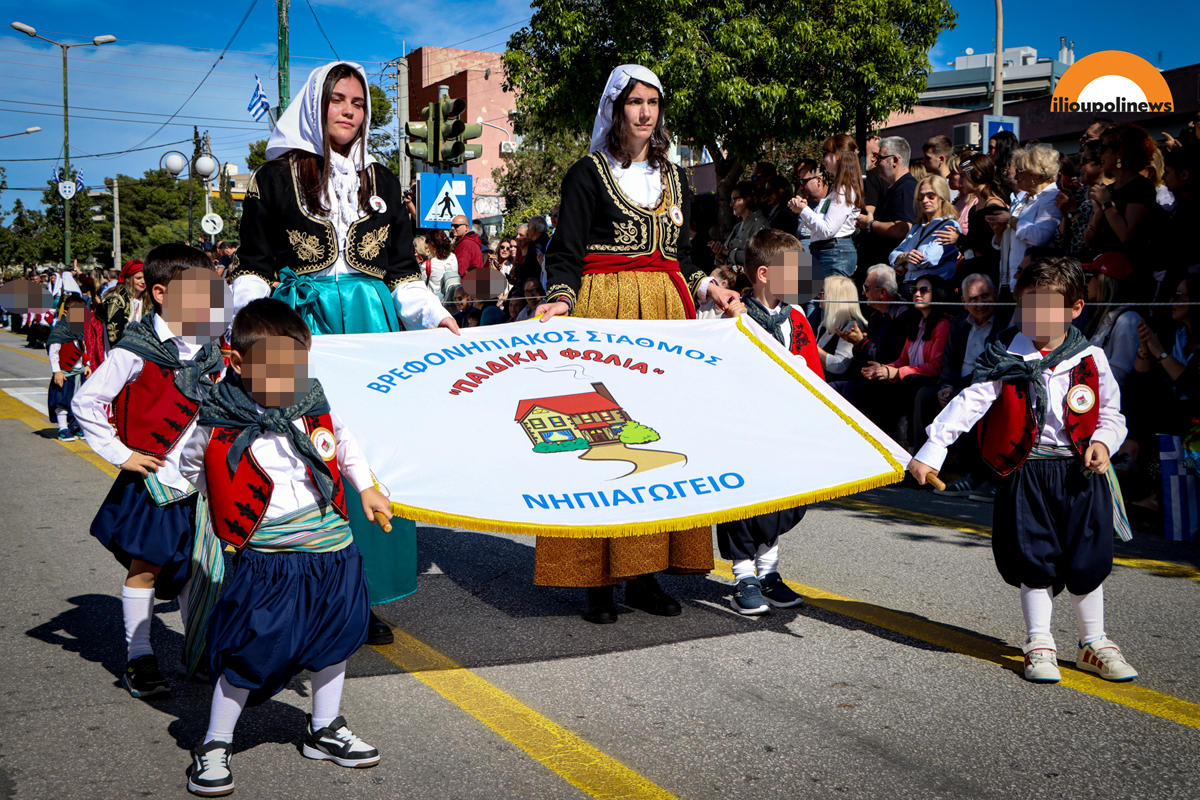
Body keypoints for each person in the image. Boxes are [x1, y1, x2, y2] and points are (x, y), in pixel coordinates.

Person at [228, 60, 456, 646]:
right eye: (338, 100)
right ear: (315, 106)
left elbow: (403, 274)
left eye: (358, 101)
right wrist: (249, 330)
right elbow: (252, 264)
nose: (350, 110)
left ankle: (368, 593)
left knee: (371, 456)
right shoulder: (273, 179)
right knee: (306, 456)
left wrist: (435, 315)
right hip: (300, 331)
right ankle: (302, 589)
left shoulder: (382, 183)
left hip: (372, 334)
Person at [534, 64, 740, 623]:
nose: (645, 112)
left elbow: (684, 258)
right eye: (634, 102)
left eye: (653, 102)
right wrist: (559, 299)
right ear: (615, 108)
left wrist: (711, 289)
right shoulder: (587, 173)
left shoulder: (675, 179)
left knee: (658, 444)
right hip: (605, 312)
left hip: (667, 318)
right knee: (602, 439)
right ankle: (597, 580)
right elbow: (567, 250)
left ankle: (645, 573)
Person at [180, 299, 387, 796]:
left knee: (336, 637)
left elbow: (344, 443)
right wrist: (223, 506)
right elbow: (192, 467)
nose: (286, 378)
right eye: (272, 369)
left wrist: (367, 488)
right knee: (252, 644)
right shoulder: (217, 418)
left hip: (332, 545)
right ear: (238, 363)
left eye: (295, 366)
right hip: (268, 554)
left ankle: (325, 727)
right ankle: (215, 742)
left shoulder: (312, 402)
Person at [909, 256, 1136, 684]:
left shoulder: (1090, 358)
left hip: (1080, 473)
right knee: (1034, 558)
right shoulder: (1004, 356)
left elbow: (1112, 413)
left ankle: (1095, 642)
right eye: (1029, 306)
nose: (1037, 317)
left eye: (1049, 308)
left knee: (1087, 559)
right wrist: (932, 449)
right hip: (1026, 472)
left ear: (1075, 309)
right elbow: (969, 403)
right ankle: (1039, 642)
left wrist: (1104, 442)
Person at [72, 244, 227, 699]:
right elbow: (87, 401)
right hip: (160, 479)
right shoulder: (136, 347)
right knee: (147, 568)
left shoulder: (213, 348)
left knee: (198, 569)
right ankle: (139, 656)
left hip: (203, 481)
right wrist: (121, 454)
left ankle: (196, 650)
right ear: (161, 293)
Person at [718, 228, 821, 615]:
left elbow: (814, 372)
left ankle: (769, 571)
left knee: (783, 501)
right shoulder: (734, 318)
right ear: (764, 274)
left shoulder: (797, 318)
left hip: (787, 428)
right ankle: (744, 575)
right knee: (747, 503)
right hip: (747, 428)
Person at [917, 274, 1005, 501]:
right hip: (959, 381)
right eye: (973, 299)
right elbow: (950, 361)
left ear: (995, 295)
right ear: (965, 303)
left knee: (964, 398)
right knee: (925, 396)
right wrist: (945, 385)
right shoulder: (959, 323)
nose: (980, 303)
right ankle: (924, 467)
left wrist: (956, 389)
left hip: (989, 382)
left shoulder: (1005, 322)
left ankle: (972, 475)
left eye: (985, 296)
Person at [838, 275, 953, 447]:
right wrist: (882, 369)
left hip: (925, 381)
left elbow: (936, 366)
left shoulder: (943, 324)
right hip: (906, 378)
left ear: (937, 293)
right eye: (914, 290)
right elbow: (903, 359)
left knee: (902, 386)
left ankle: (902, 450)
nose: (917, 294)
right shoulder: (915, 322)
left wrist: (895, 372)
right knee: (857, 386)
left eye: (924, 290)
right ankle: (854, 442)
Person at [1084, 124, 1161, 286]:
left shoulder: (1141, 186)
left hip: (1128, 276)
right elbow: (1089, 242)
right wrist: (1097, 216)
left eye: (1104, 149)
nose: (1099, 155)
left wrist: (1107, 204)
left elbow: (1126, 235)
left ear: (1121, 152)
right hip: (1103, 272)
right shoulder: (1107, 190)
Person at [990, 143, 1062, 296]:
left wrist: (1011, 221)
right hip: (1010, 281)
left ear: (1037, 175)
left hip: (1035, 284)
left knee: (1032, 320)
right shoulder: (1024, 199)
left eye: (1020, 171)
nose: (1016, 176)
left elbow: (1039, 236)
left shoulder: (1052, 198)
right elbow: (1010, 243)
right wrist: (999, 232)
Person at [790, 135, 864, 281]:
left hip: (834, 254)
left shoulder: (844, 189)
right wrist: (803, 208)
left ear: (837, 155)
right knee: (820, 302)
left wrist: (803, 210)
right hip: (828, 252)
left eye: (825, 154)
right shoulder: (836, 189)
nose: (822, 160)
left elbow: (827, 229)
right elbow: (820, 223)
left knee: (830, 302)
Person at [856, 136, 917, 276]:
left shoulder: (906, 188)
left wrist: (870, 224)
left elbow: (902, 229)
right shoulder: (896, 188)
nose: (877, 163)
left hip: (889, 271)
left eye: (880, 158)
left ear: (895, 160)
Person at [888, 175, 962, 284]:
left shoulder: (949, 226)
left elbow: (929, 259)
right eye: (920, 197)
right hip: (909, 286)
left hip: (934, 289)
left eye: (931, 196)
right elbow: (893, 255)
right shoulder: (917, 228)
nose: (925, 200)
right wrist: (905, 256)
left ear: (942, 197)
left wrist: (903, 263)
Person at [1082, 253, 1141, 387]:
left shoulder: (1128, 319)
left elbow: (1118, 376)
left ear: (1104, 281)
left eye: (1090, 277)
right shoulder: (1104, 317)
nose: (1086, 283)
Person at [948, 153, 1007, 286]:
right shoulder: (974, 208)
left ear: (975, 174)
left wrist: (959, 238)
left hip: (987, 273)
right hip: (972, 269)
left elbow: (991, 247)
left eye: (963, 176)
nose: (960, 181)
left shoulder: (994, 206)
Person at [837, 264, 909, 367]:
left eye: (866, 288)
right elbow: (863, 361)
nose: (863, 293)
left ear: (882, 293)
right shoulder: (876, 315)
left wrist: (862, 342)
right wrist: (857, 344)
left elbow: (889, 359)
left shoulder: (903, 316)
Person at [46, 293, 94, 442]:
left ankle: (77, 426)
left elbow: (83, 349)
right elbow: (53, 352)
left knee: (79, 399)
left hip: (79, 371)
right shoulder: (59, 330)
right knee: (63, 399)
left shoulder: (79, 330)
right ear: (66, 313)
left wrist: (86, 365)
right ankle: (63, 428)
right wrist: (57, 371)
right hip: (65, 372)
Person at [813, 274, 865, 380]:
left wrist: (809, 344)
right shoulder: (825, 324)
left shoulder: (853, 326)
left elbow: (839, 366)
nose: (819, 296)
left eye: (822, 292)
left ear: (835, 296)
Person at [95, 259, 147, 351]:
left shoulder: (147, 298)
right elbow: (114, 335)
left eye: (145, 278)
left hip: (137, 345)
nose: (143, 281)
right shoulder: (116, 299)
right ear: (128, 279)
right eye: (138, 278)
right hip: (114, 345)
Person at [713, 181, 766, 268]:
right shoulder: (738, 226)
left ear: (747, 199)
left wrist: (728, 252)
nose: (731, 204)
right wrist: (719, 254)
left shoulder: (760, 223)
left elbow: (757, 256)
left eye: (734, 199)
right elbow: (726, 258)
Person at [423, 229, 459, 302]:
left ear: (432, 244)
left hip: (435, 304)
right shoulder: (453, 257)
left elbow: (422, 284)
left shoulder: (428, 265)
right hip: (453, 303)